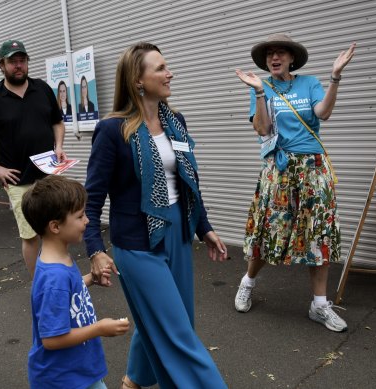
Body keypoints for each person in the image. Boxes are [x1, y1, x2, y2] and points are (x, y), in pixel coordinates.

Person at [84, 42, 228, 389]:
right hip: (137, 242)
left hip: (178, 231)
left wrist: (204, 227)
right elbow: (92, 198)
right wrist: (95, 249)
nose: (170, 73)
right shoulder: (112, 131)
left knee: (172, 319)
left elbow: (187, 181)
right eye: (161, 68)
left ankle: (134, 378)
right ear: (138, 79)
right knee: (177, 332)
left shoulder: (175, 122)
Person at [234, 33, 356, 332]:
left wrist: (335, 78)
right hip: (279, 167)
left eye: (280, 53)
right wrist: (260, 93)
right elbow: (262, 129)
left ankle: (319, 305)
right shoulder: (260, 86)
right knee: (270, 229)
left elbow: (322, 113)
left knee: (319, 233)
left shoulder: (309, 83)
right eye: (269, 54)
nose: (274, 57)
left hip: (314, 168)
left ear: (291, 58)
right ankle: (247, 282)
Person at [0, 39, 66, 278]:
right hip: (20, 181)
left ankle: (60, 275)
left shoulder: (42, 89)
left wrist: (58, 146)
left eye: (22, 60)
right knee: (30, 236)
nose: (18, 66)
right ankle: (38, 284)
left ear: (27, 62)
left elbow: (57, 122)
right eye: (12, 62)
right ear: (2, 65)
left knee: (56, 229)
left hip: (50, 176)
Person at [22, 175, 130, 389]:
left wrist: (89, 279)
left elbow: (64, 293)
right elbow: (52, 340)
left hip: (77, 372)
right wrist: (98, 328)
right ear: (55, 226)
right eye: (80, 216)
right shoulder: (55, 277)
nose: (87, 221)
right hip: (63, 380)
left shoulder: (57, 259)